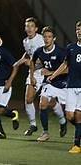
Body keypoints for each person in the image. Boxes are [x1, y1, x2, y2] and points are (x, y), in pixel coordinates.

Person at [48, 21, 81, 153]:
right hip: (71, 86)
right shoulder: (71, 47)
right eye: (77, 29)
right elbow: (65, 64)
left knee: (78, 115)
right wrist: (54, 75)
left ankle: (77, 145)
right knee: (69, 116)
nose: (79, 31)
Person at [30, 26, 67, 142]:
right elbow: (32, 61)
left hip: (63, 83)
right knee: (43, 104)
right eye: (45, 37)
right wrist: (32, 76)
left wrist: (51, 72)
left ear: (54, 38)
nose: (47, 39)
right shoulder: (39, 51)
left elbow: (68, 69)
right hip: (49, 83)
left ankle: (63, 122)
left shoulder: (61, 52)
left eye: (49, 37)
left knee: (72, 113)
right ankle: (45, 132)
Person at [14, 17, 45, 136]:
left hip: (43, 72)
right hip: (33, 72)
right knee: (28, 99)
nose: (29, 28)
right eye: (27, 26)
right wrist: (21, 60)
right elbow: (28, 53)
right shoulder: (25, 41)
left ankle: (62, 121)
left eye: (31, 26)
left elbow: (44, 59)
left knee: (51, 103)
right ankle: (33, 125)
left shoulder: (41, 40)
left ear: (36, 28)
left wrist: (28, 63)